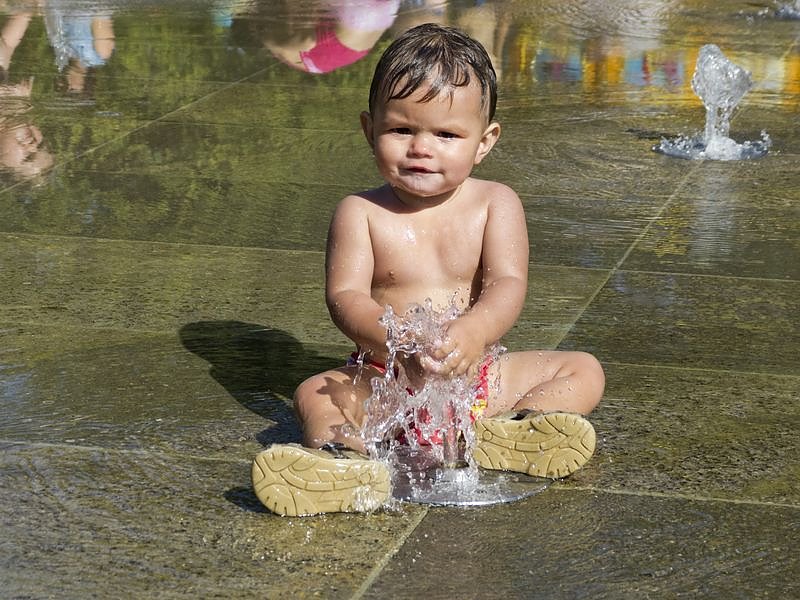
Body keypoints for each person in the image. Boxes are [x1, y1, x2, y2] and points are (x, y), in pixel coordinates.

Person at [252, 23, 605, 517]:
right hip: (386, 381)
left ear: (484, 142)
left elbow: (507, 283)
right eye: (401, 130)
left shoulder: (496, 203)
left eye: (446, 134)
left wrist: (475, 331)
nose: (421, 147)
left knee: (582, 369)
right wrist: (395, 343)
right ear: (369, 129)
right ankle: (344, 459)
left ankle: (517, 428)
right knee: (315, 393)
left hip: (478, 378)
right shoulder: (360, 212)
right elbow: (345, 297)